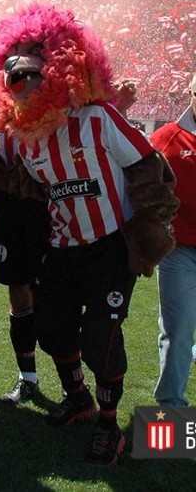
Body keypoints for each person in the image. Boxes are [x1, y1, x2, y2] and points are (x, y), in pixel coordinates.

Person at [0, 1, 178, 466]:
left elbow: (148, 165)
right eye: (15, 81)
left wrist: (151, 224)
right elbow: (32, 185)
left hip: (109, 244)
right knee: (51, 329)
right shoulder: (27, 140)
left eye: (33, 76)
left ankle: (111, 427)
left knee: (101, 337)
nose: (25, 88)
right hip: (62, 244)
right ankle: (79, 398)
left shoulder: (98, 119)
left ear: (61, 71)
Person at [0, 131, 49, 404]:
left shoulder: (55, 91)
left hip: (48, 196)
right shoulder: (2, 93)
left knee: (54, 290)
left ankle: (72, 384)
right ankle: (27, 378)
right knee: (18, 287)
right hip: (9, 194)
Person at [151, 72, 196, 407]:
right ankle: (170, 410)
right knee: (177, 331)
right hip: (179, 252)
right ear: (191, 91)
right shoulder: (167, 138)